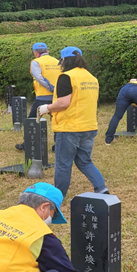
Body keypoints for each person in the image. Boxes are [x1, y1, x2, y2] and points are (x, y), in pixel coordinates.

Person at [37, 47, 108, 197]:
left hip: (69, 128)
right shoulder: (91, 78)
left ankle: (57, 197)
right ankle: (101, 188)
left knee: (63, 164)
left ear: (64, 60)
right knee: (84, 161)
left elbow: (63, 103)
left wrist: (46, 108)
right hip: (89, 126)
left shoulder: (66, 77)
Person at [16, 43, 61, 151]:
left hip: (43, 97)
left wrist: (50, 87)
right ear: (47, 51)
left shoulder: (36, 62)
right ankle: (58, 145)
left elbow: (39, 78)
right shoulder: (56, 61)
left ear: (35, 53)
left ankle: (27, 144)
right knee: (57, 120)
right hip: (57, 97)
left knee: (32, 120)